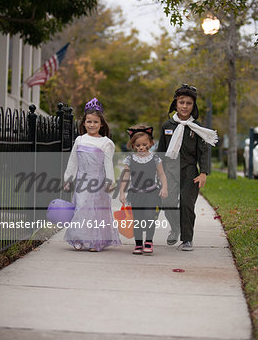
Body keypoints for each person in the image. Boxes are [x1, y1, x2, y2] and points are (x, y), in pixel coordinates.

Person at [157, 84, 218, 251]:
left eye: (189, 103)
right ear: (176, 104)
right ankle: (175, 227)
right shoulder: (167, 126)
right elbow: (161, 151)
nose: (185, 106)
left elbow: (203, 152)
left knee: (187, 203)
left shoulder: (197, 128)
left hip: (189, 172)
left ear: (193, 106)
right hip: (170, 171)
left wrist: (204, 173)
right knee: (167, 201)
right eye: (181, 102)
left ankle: (187, 238)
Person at [64, 98, 121, 251]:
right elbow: (73, 161)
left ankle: (96, 241)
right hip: (82, 181)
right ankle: (79, 238)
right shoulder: (80, 140)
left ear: (101, 124)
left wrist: (110, 181)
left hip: (98, 182)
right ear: (83, 123)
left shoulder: (106, 143)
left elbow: (108, 163)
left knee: (96, 212)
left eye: (95, 122)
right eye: (89, 121)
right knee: (81, 209)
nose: (92, 125)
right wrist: (68, 179)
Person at [119, 125, 168, 255]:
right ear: (133, 145)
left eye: (144, 144)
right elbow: (125, 176)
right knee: (137, 219)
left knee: (149, 216)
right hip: (135, 194)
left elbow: (162, 174)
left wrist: (164, 188)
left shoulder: (155, 158)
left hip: (151, 193)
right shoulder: (130, 159)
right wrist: (121, 192)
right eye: (138, 145)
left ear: (151, 143)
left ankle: (149, 242)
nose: (141, 147)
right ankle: (138, 244)